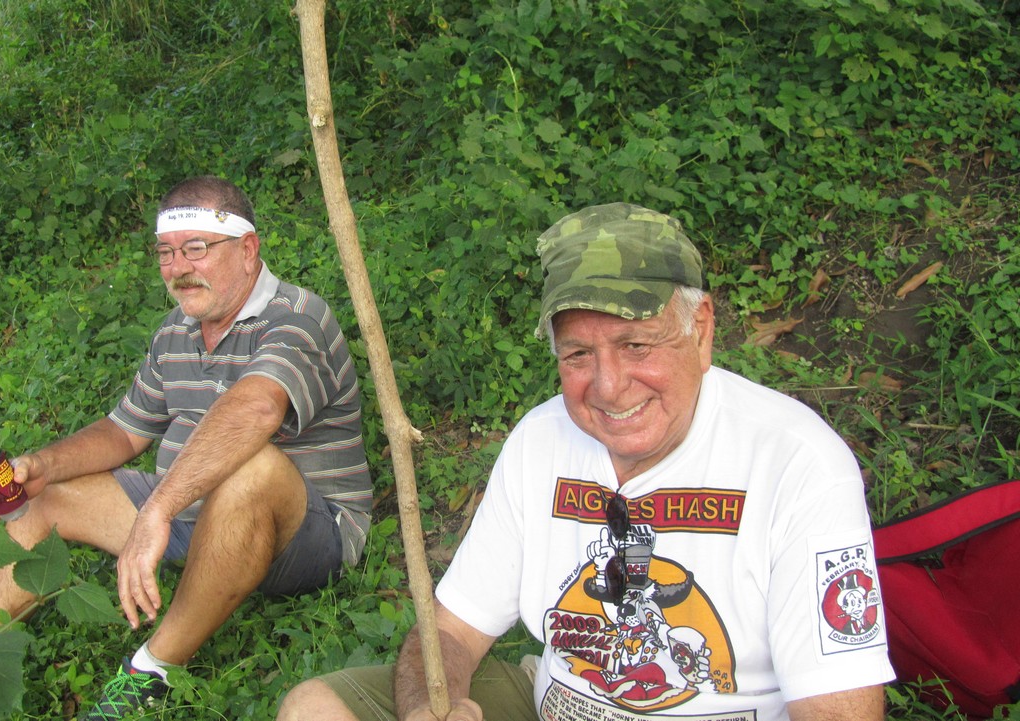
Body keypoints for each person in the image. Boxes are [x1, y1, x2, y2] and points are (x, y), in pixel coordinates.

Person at [278, 203, 894, 721]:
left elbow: (839, 710)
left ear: (702, 331)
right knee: (313, 708)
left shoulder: (798, 464)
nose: (609, 386)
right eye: (577, 354)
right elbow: (451, 631)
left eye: (636, 345)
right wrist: (426, 708)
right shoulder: (540, 441)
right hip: (556, 705)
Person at [0, 175, 372, 720]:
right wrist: (41, 466)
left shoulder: (297, 317)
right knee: (41, 500)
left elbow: (258, 408)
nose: (178, 268)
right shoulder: (175, 331)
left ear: (248, 250)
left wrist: (157, 509)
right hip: (192, 517)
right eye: (166, 253)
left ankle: (149, 672)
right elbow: (123, 432)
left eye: (197, 249)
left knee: (253, 468)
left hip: (306, 534)